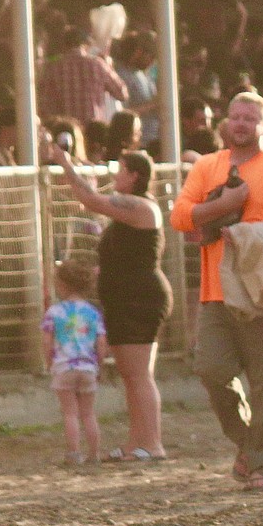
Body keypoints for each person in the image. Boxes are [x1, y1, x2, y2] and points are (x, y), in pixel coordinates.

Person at [171, 91, 263, 491]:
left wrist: (256, 234)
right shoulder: (206, 166)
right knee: (211, 369)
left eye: (249, 119)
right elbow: (181, 216)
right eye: (235, 117)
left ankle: (260, 467)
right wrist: (227, 205)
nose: (240, 124)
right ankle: (247, 444)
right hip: (215, 291)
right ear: (225, 123)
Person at [50, 145, 172, 461]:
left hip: (139, 300)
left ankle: (152, 444)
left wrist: (63, 161)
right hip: (124, 300)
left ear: (134, 176)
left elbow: (90, 200)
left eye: (120, 170)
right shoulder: (128, 210)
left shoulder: (140, 206)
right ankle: (137, 443)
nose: (115, 175)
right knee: (132, 376)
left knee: (139, 374)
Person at [40, 259, 108, 466]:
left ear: (61, 285)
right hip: (88, 367)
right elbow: (101, 342)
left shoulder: (54, 312)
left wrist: (49, 362)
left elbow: (46, 340)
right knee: (88, 413)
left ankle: (73, 454)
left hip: (64, 367)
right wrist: (100, 365)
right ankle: (94, 454)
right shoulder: (93, 312)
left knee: (70, 414)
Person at [37, 26, 128, 125]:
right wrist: (110, 67)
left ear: (64, 45)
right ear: (86, 44)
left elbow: (45, 105)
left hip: (67, 128)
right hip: (94, 128)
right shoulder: (98, 65)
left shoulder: (54, 68)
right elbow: (122, 93)